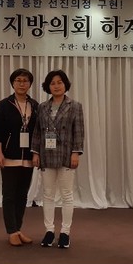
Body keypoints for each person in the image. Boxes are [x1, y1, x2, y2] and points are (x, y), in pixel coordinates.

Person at [31, 69, 84, 249]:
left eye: (59, 82)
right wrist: (35, 153)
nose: (56, 86)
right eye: (52, 83)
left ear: (65, 84)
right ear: (48, 86)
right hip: (46, 154)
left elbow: (78, 132)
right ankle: (49, 230)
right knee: (48, 194)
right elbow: (37, 132)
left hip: (66, 154)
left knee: (67, 194)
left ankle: (65, 232)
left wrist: (76, 153)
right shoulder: (42, 107)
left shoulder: (75, 106)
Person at [0, 68, 39, 247]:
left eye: (25, 81)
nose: (22, 83)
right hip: (9, 156)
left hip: (28, 157)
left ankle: (18, 229)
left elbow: (38, 133)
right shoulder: (4, 105)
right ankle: (11, 231)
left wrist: (36, 153)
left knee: (22, 195)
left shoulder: (35, 105)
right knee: (9, 195)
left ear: (30, 84)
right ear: (13, 83)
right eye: (18, 80)